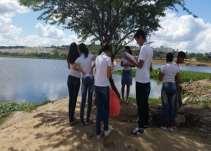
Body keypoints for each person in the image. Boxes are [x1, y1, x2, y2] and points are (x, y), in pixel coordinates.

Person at [132, 30, 153, 135]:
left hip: (141, 80)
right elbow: (150, 66)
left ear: (140, 37)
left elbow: (140, 65)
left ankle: (140, 128)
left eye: (136, 40)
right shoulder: (150, 48)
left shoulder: (144, 48)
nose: (137, 42)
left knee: (140, 104)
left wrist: (132, 60)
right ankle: (145, 123)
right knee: (145, 103)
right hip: (147, 80)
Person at [74, 43, 95, 126]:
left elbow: (74, 67)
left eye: (78, 49)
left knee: (83, 99)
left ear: (80, 50)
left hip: (84, 79)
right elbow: (98, 60)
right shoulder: (90, 56)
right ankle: (88, 119)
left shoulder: (79, 59)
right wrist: (92, 68)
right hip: (91, 79)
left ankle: (82, 120)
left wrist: (81, 71)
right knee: (89, 100)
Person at [94, 43, 112, 139]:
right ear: (108, 50)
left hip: (96, 85)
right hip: (104, 86)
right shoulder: (108, 59)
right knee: (104, 109)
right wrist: (113, 67)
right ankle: (105, 129)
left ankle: (97, 132)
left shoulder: (97, 57)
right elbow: (109, 75)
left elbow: (96, 71)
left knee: (99, 109)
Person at [159, 53, 180, 131]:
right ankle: (172, 126)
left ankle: (165, 125)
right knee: (172, 106)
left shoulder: (163, 67)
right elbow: (178, 79)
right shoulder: (176, 67)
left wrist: (162, 75)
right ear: (172, 59)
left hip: (165, 86)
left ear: (166, 58)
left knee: (165, 106)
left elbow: (160, 78)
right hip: (173, 87)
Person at [67, 42, 81, 124]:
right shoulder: (78, 57)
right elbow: (78, 69)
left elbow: (70, 67)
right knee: (74, 99)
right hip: (76, 79)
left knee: (71, 99)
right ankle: (72, 119)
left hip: (70, 78)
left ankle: (71, 118)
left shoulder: (69, 57)